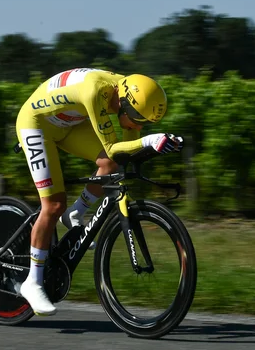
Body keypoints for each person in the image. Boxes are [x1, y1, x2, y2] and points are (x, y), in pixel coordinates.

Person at [15, 68, 183, 316]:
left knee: (111, 164)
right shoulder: (96, 91)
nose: (138, 125)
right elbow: (115, 146)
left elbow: (122, 155)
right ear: (124, 103)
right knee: (53, 205)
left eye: (145, 123)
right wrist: (149, 141)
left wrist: (157, 146)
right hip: (37, 123)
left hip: (68, 122)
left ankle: (76, 213)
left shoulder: (125, 95)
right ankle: (33, 281)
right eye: (137, 119)